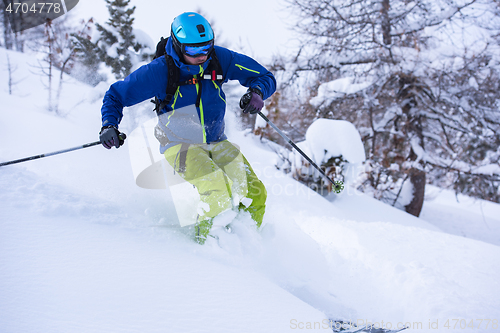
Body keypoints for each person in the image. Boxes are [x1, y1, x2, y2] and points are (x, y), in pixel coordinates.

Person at [99, 12, 276, 244]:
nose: (202, 56)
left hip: (216, 141)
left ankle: (247, 243)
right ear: (178, 44)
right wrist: (109, 125)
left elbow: (264, 76)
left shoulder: (218, 59)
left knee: (255, 193)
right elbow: (115, 95)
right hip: (179, 145)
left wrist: (258, 92)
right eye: (193, 50)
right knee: (216, 190)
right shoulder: (160, 70)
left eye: (206, 48)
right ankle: (207, 251)